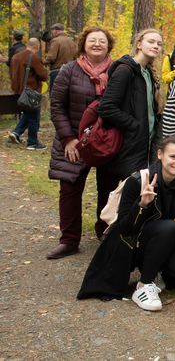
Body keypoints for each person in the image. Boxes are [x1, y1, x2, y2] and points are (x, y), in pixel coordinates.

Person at [77, 136, 175, 310]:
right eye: (173, 157)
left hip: (162, 239)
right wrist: (142, 204)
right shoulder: (137, 181)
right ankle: (144, 286)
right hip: (131, 242)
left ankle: (155, 271)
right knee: (168, 226)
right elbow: (124, 228)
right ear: (160, 155)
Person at [47, 26, 118, 259]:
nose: (97, 44)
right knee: (69, 189)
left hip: (107, 141)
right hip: (74, 141)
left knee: (108, 189)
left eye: (102, 41)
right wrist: (68, 139)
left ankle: (104, 231)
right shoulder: (69, 70)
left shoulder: (119, 71)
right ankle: (69, 240)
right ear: (83, 44)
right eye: (92, 41)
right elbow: (57, 106)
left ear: (109, 45)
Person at [97, 29, 163, 181]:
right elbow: (106, 107)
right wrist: (135, 125)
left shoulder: (148, 73)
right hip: (124, 146)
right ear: (139, 44)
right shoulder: (125, 71)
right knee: (116, 200)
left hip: (142, 147)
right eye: (151, 42)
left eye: (159, 44)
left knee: (134, 200)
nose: (156, 46)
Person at [8, 38, 48, 150]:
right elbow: (43, 76)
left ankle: (16, 133)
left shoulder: (15, 57)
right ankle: (32, 143)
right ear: (38, 47)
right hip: (31, 92)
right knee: (34, 117)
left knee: (27, 113)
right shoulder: (34, 58)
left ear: (26, 45)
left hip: (17, 90)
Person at [44, 23, 76, 95]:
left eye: (52, 30)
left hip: (57, 72)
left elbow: (51, 57)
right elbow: (75, 58)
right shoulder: (71, 42)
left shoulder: (56, 41)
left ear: (55, 30)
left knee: (55, 95)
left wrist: (42, 62)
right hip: (70, 72)